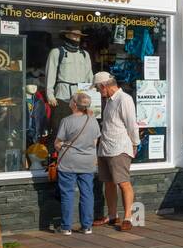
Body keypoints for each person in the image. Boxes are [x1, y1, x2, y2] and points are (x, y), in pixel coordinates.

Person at [92, 71, 140, 231]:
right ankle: (112, 216)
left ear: (104, 86)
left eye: (99, 89)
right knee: (108, 183)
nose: (99, 92)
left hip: (119, 148)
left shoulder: (124, 99)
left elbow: (132, 124)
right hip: (105, 148)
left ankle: (128, 217)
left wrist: (135, 144)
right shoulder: (109, 101)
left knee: (123, 182)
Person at [52, 91, 99, 235]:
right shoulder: (93, 120)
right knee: (87, 193)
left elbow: (58, 143)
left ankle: (66, 227)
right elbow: (95, 142)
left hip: (69, 162)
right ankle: (87, 226)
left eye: (71, 100)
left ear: (74, 104)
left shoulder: (67, 121)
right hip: (88, 162)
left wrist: (61, 145)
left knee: (67, 194)